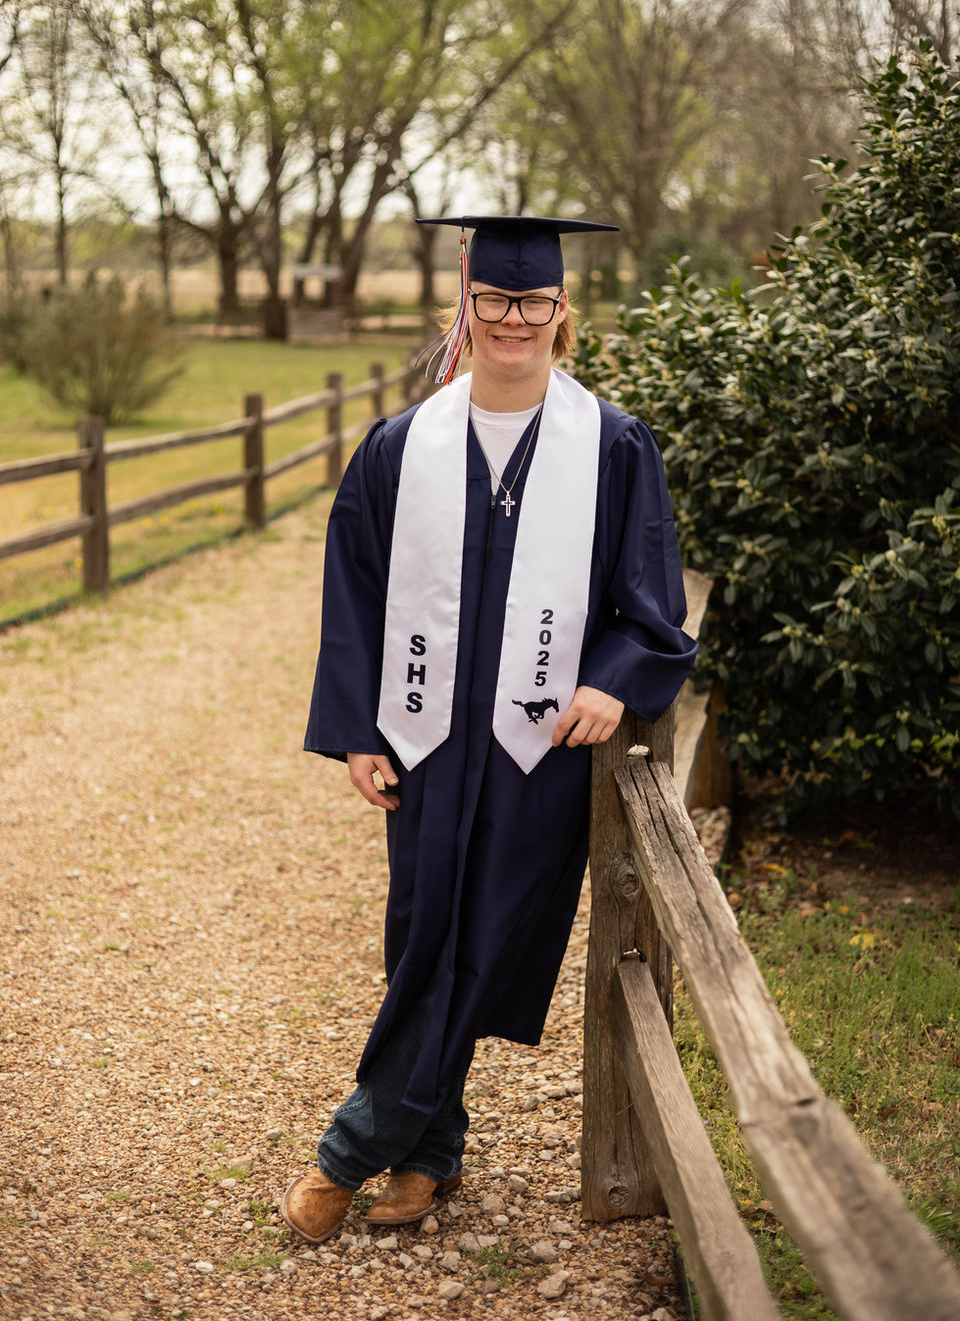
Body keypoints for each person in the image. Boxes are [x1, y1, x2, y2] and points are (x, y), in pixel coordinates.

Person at [279, 215, 697, 1245]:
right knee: (423, 936)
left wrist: (615, 679)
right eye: (495, 302)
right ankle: (427, 1159)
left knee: (487, 935)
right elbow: (356, 595)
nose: (514, 320)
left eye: (534, 304)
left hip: (535, 748)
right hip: (425, 744)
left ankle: (348, 1151)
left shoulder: (610, 444)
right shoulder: (399, 447)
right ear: (465, 309)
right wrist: (360, 729)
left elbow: (651, 604)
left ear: (563, 315)